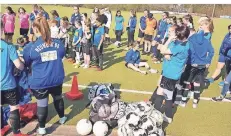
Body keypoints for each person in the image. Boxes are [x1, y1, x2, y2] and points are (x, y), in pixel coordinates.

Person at [22, 17, 67, 135]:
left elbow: (27, 63)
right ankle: (62, 118)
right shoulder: (58, 43)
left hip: (40, 81)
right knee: (58, 98)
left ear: (35, 29)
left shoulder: (30, 47)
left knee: (42, 103)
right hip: (56, 78)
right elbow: (61, 56)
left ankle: (42, 128)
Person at [153, 25, 190, 123]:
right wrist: (165, 52)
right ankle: (156, 113)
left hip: (171, 74)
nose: (175, 36)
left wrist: (169, 40)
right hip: (169, 72)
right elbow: (164, 51)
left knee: (167, 96)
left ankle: (168, 116)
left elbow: (162, 50)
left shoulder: (180, 47)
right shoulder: (183, 43)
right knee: (160, 92)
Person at [177, 23, 214, 108]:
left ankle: (183, 102)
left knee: (187, 83)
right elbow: (211, 52)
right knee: (197, 84)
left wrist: (192, 61)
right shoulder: (206, 41)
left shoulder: (191, 39)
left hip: (192, 65)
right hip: (202, 65)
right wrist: (207, 61)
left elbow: (191, 51)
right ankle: (195, 103)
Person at [0, 20, 28, 136]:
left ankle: (1, 129)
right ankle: (17, 133)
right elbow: (18, 66)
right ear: (2, 30)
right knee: (13, 107)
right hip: (8, 84)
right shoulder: (8, 47)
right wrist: (23, 65)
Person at [212, 33, 231, 101]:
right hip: (228, 59)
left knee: (227, 80)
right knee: (228, 79)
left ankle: (221, 96)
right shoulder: (227, 35)